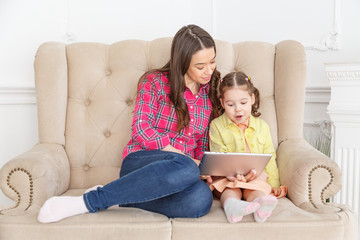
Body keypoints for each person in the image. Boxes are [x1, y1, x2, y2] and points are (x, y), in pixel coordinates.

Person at [37, 24, 221, 223]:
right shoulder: (155, 82)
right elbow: (141, 130)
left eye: (212, 62)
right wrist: (186, 160)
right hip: (142, 162)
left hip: (180, 173)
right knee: (186, 166)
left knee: (201, 199)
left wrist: (205, 169)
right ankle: (90, 201)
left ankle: (122, 196)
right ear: (182, 63)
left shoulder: (209, 94)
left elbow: (201, 143)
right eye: (200, 66)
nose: (209, 71)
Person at [206, 71, 287, 224]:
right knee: (231, 189)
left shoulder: (262, 127)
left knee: (256, 188)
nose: (238, 109)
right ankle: (232, 207)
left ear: (252, 99)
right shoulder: (216, 126)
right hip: (228, 177)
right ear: (222, 103)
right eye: (231, 105)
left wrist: (274, 184)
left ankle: (261, 207)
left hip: (254, 177)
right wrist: (232, 174)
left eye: (243, 103)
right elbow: (219, 157)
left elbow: (269, 156)